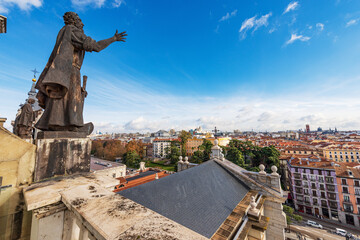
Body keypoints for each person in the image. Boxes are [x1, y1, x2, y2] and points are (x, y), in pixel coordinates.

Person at [35, 12, 126, 133]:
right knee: (71, 97)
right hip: (70, 70)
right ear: (74, 21)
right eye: (79, 20)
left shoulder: (64, 31)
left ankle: (58, 123)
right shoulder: (72, 31)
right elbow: (95, 46)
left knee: (62, 95)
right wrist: (113, 39)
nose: (82, 23)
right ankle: (72, 124)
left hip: (61, 69)